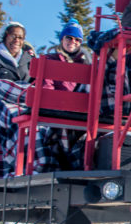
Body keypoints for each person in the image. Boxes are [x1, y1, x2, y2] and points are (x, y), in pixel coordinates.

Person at [0, 21, 40, 178]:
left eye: (20, 38)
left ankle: (27, 165)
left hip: (22, 102)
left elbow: (36, 82)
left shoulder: (28, 56)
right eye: (14, 36)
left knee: (35, 123)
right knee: (14, 119)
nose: (17, 41)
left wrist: (19, 93)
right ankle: (14, 165)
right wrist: (4, 91)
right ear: (6, 36)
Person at [39, 19, 94, 171]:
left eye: (77, 39)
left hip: (78, 111)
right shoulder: (51, 59)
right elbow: (46, 87)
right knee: (61, 129)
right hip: (57, 109)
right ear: (62, 39)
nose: (73, 42)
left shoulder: (86, 63)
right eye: (69, 38)